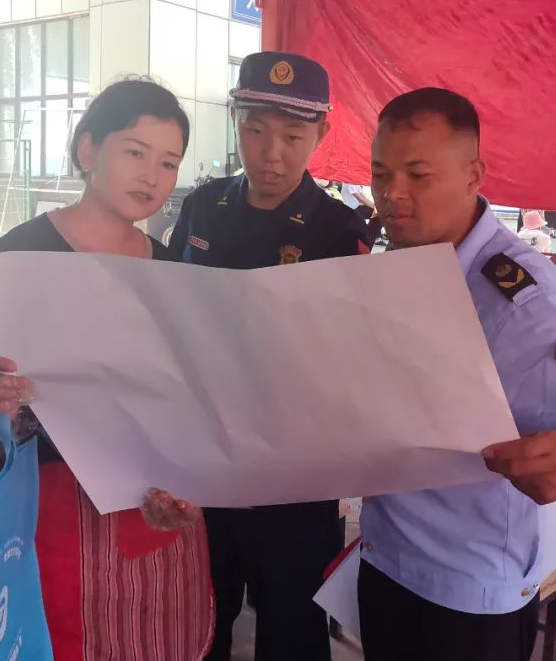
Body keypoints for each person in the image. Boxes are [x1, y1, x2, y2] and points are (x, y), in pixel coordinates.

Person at [0, 79, 213, 661]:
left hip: (155, 517)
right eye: (135, 152)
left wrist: (190, 489)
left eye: (168, 162)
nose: (151, 176)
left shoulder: (172, 272)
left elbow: (187, 408)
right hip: (50, 515)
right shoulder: (16, 257)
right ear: (88, 149)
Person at [359, 87, 556, 661]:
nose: (392, 194)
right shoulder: (401, 260)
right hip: (384, 558)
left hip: (468, 597)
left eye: (418, 175)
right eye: (381, 173)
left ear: (473, 175)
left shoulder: (523, 301)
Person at [167, 51, 369, 661]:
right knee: (202, 618)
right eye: (255, 130)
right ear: (235, 120)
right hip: (205, 457)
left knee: (292, 629)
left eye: (292, 136)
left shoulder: (339, 231)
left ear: (321, 135)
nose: (271, 154)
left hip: (294, 473)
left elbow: (348, 359)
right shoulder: (203, 207)